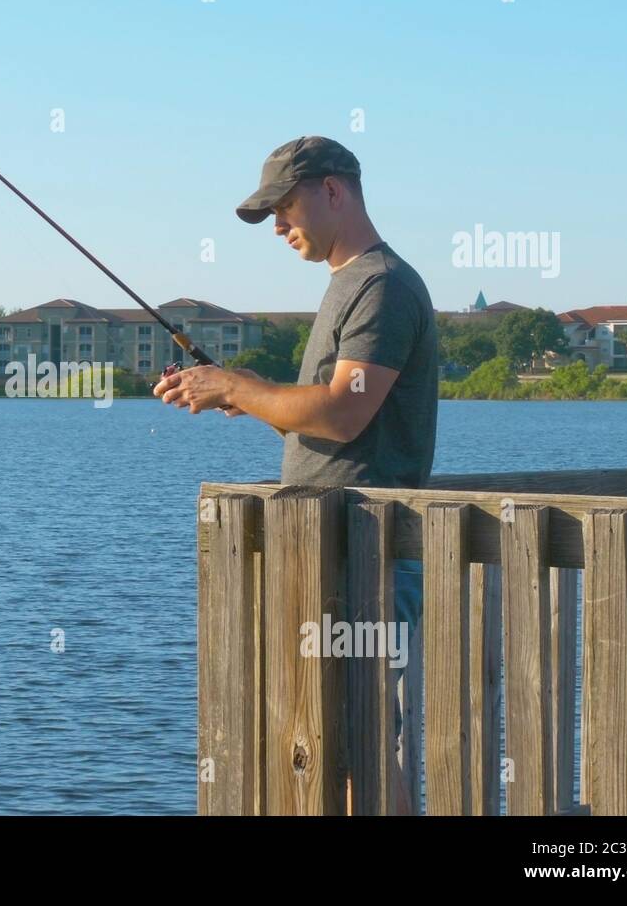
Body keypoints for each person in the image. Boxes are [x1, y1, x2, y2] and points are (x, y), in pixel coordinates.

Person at [154, 135, 438, 812]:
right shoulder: (350, 284)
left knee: (360, 744)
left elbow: (343, 413)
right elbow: (325, 418)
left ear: (333, 190)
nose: (278, 226)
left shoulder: (382, 285)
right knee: (336, 740)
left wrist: (235, 390)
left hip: (368, 556)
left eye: (285, 207)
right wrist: (245, 390)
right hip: (330, 547)